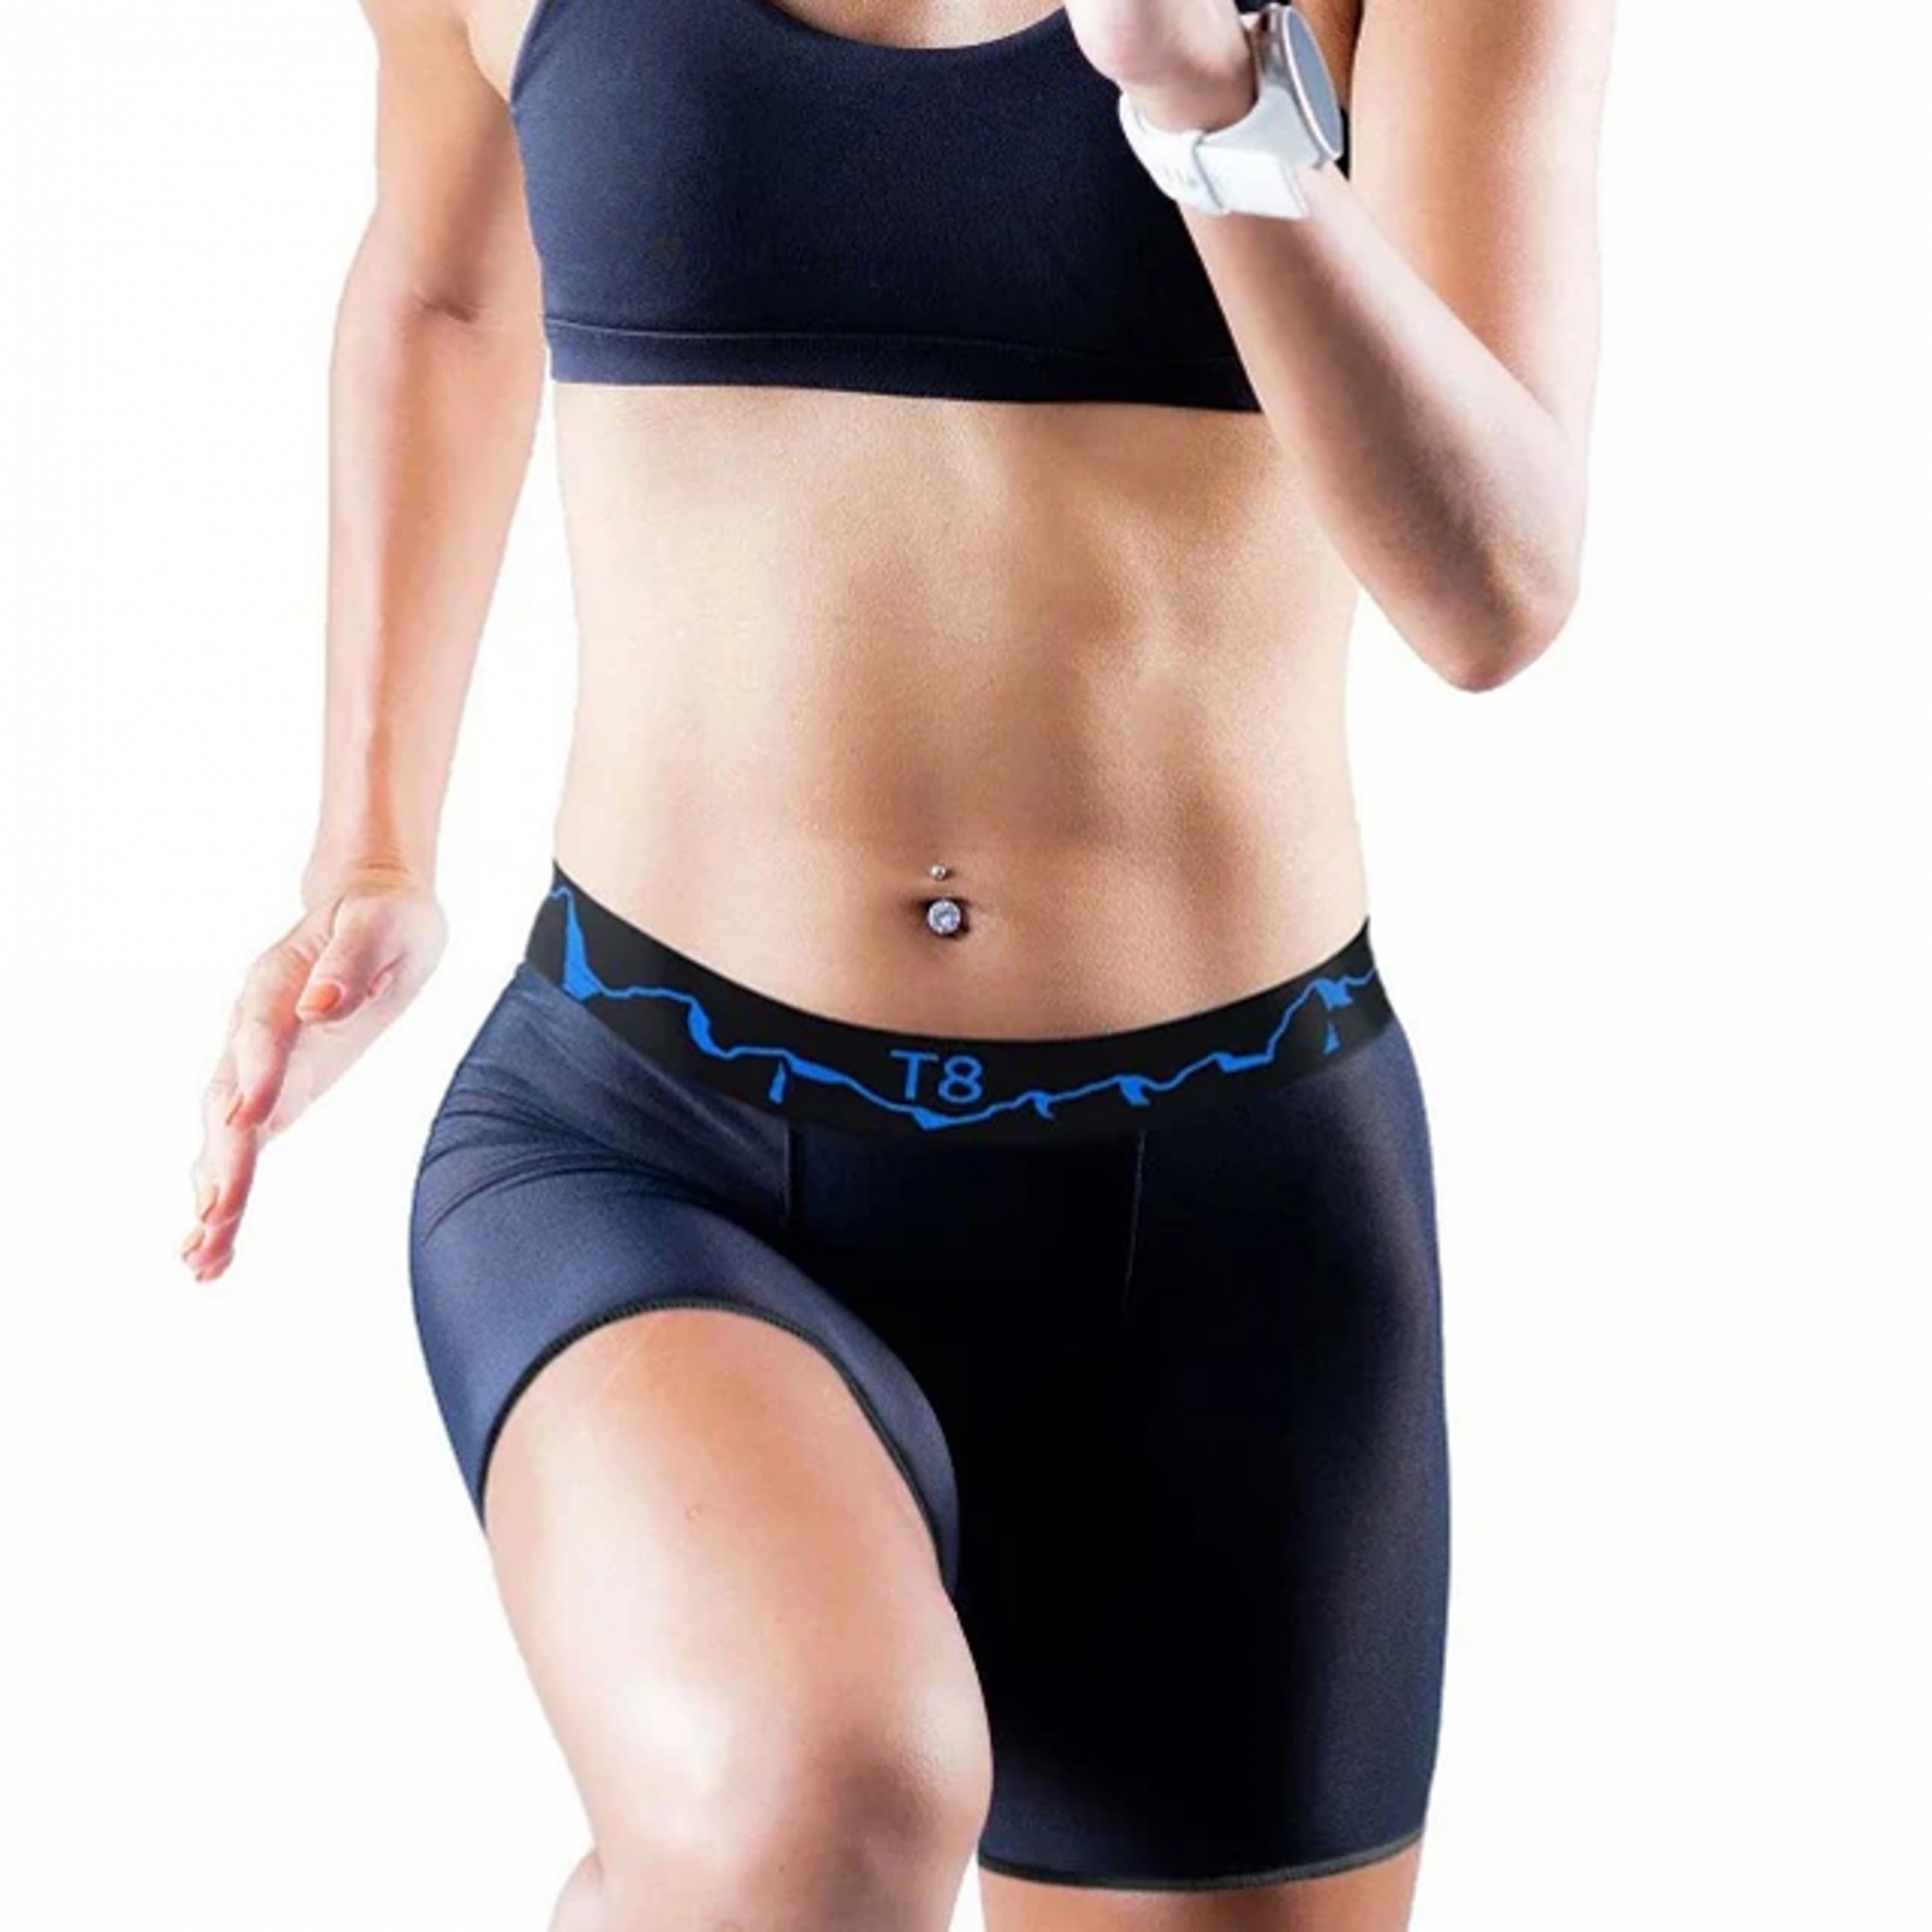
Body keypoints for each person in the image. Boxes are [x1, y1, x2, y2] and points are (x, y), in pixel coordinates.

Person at [183, 0, 1613, 1922]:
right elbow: (444, 285)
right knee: (814, 1805)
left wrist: (1220, 118)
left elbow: (1495, 593)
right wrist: (371, 840)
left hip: (1231, 1213)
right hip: (659, 1130)